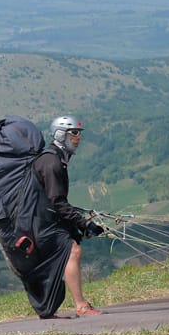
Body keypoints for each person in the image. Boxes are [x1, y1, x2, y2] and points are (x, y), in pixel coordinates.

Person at [31, 116, 105, 316]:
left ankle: (51, 307)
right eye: (74, 133)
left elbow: (55, 200)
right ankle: (80, 306)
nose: (78, 138)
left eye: (79, 133)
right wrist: (83, 223)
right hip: (42, 221)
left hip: (46, 218)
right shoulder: (51, 162)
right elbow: (56, 201)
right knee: (73, 252)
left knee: (68, 253)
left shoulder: (57, 158)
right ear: (60, 134)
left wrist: (79, 224)